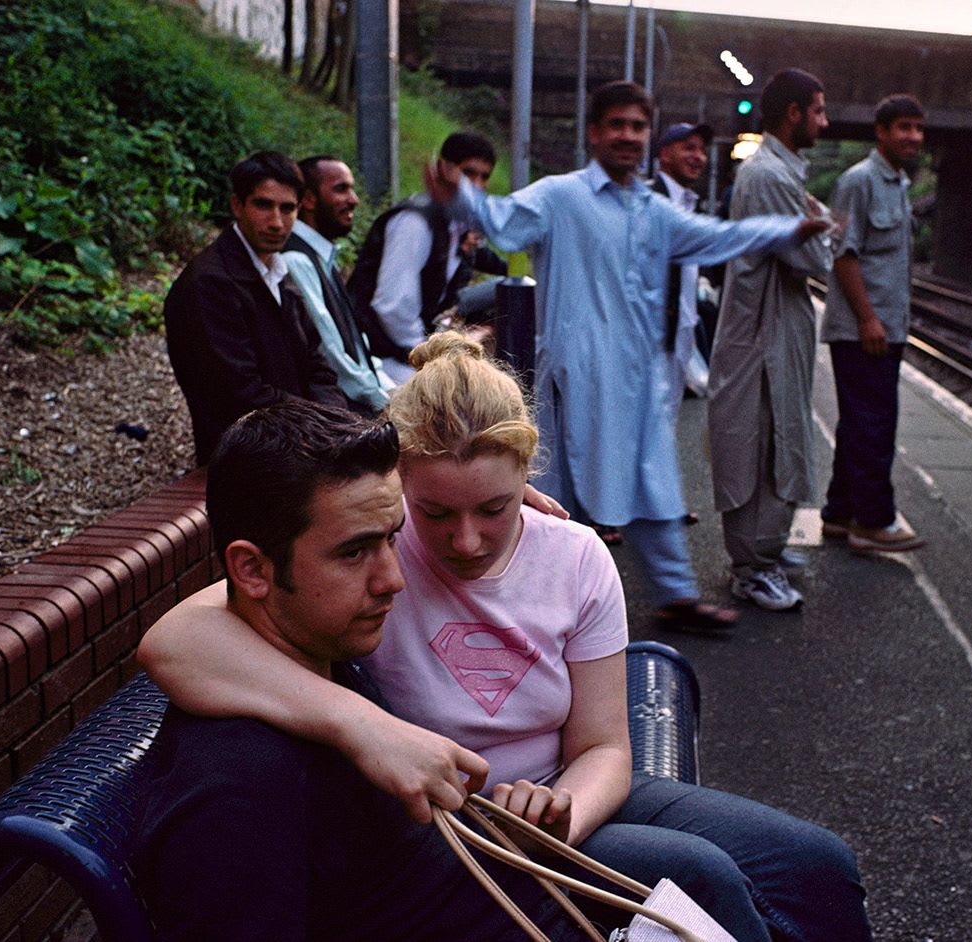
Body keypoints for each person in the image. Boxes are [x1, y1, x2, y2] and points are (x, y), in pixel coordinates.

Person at [139, 333, 873, 942]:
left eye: (493, 507)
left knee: (816, 866)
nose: (407, 568)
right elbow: (177, 637)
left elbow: (602, 746)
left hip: (540, 800)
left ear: (527, 473)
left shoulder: (530, 553)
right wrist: (367, 726)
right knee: (697, 883)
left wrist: (561, 815)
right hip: (459, 829)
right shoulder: (325, 598)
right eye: (423, 517)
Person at [134, 399, 587, 941]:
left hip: (487, 880)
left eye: (393, 537)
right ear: (253, 569)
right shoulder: (237, 791)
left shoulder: (318, 649)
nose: (394, 579)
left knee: (699, 866)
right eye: (355, 552)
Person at [424, 80, 832, 634]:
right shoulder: (561, 196)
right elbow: (500, 220)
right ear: (594, 133)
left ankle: (675, 596)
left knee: (655, 487)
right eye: (615, 125)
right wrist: (459, 198)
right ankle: (531, 606)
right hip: (578, 373)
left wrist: (786, 229)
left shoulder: (653, 211)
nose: (627, 136)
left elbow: (718, 237)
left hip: (638, 378)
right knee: (561, 493)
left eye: (637, 126)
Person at [708, 68, 834, 611]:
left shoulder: (779, 172)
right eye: (819, 111)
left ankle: (766, 552)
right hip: (762, 335)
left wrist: (819, 221)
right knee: (756, 446)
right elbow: (814, 257)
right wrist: (824, 225)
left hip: (774, 328)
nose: (825, 123)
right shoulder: (770, 177)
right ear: (794, 113)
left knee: (775, 440)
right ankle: (751, 568)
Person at [164, 150, 348, 465]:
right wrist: (325, 425)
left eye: (288, 208)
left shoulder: (277, 270)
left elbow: (318, 364)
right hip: (249, 456)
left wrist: (334, 420)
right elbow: (240, 394)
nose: (277, 222)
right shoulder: (210, 284)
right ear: (238, 205)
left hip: (300, 438)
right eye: (264, 205)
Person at [820, 94, 928, 552]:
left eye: (918, 129)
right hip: (865, 329)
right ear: (880, 132)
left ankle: (840, 513)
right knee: (874, 423)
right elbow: (844, 254)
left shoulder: (898, 183)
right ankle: (873, 520)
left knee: (860, 422)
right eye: (903, 127)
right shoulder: (858, 181)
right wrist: (867, 319)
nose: (913, 137)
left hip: (886, 326)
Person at [349, 131, 508, 384]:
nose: (475, 186)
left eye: (484, 177)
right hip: (381, 359)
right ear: (444, 170)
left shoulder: (453, 225)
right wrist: (430, 358)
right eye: (468, 174)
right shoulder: (415, 222)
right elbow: (393, 306)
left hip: (407, 351)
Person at [282, 154, 394, 414]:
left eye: (352, 189)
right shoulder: (296, 259)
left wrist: (392, 389)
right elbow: (331, 354)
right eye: (341, 189)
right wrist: (385, 403)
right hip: (342, 411)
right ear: (308, 199)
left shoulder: (321, 255)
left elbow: (355, 345)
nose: (354, 200)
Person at [651, 121, 715, 411]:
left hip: (682, 331)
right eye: (689, 147)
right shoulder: (650, 201)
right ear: (665, 154)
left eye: (702, 150)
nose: (698, 156)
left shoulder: (690, 206)